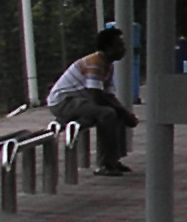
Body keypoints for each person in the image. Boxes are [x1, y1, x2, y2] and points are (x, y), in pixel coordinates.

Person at [48, 25, 140, 174]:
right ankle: (103, 164)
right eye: (119, 46)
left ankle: (114, 159)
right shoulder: (95, 63)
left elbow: (109, 96)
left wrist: (125, 113)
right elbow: (96, 95)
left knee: (116, 113)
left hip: (81, 101)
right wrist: (123, 113)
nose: (124, 49)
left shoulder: (108, 66)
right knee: (107, 114)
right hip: (64, 102)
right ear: (108, 47)